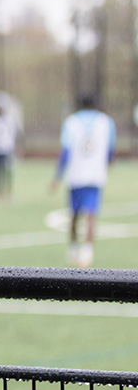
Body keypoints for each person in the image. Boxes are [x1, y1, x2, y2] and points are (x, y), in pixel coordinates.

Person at [50, 93, 115, 268]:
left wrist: (57, 176)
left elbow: (66, 152)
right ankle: (87, 252)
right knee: (91, 214)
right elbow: (110, 150)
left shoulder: (71, 123)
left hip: (75, 175)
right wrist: (109, 164)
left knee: (74, 214)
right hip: (95, 175)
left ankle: (72, 249)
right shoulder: (106, 122)